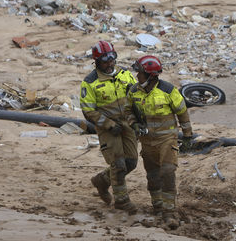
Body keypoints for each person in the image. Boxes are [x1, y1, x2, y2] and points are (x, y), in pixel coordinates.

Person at [126, 55, 192, 229]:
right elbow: (128, 112)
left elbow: (182, 113)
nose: (136, 76)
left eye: (139, 73)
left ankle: (169, 212)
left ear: (150, 75)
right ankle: (157, 207)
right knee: (152, 174)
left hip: (167, 139)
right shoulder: (133, 92)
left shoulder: (169, 91)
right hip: (147, 141)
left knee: (168, 172)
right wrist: (134, 124)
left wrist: (187, 135)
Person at [79, 40, 138, 213]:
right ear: (97, 62)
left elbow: (136, 97)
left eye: (112, 59)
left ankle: (102, 181)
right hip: (107, 128)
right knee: (118, 163)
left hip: (128, 124)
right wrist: (109, 124)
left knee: (131, 162)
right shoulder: (90, 83)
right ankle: (122, 201)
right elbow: (88, 110)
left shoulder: (125, 74)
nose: (110, 63)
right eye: (105, 60)